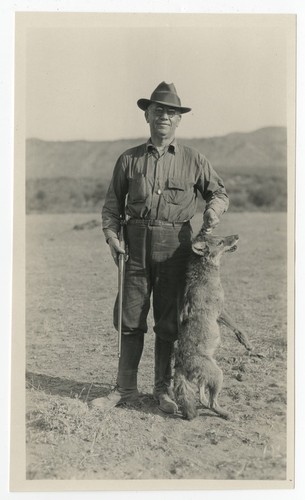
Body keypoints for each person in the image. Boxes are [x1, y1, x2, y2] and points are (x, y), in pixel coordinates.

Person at [91, 82, 229, 414]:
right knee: (129, 318)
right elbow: (111, 207)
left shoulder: (195, 160)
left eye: (170, 112)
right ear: (147, 115)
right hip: (134, 245)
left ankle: (162, 391)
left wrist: (212, 211)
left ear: (178, 120)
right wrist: (112, 236)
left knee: (168, 322)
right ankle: (124, 389)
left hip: (176, 248)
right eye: (157, 111)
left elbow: (219, 194)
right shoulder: (128, 159)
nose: (164, 117)